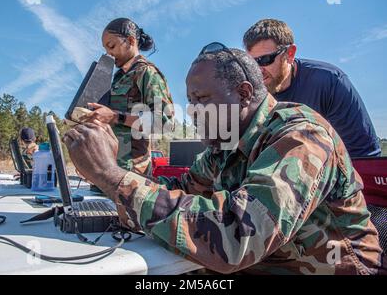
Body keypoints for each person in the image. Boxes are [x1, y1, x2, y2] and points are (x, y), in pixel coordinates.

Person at [63, 44, 385, 275]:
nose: (192, 112)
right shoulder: (223, 148)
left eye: (202, 99)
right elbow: (180, 189)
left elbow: (236, 236)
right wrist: (108, 169)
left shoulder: (301, 135)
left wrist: (112, 177)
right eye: (190, 101)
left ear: (244, 93)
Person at [243, 19, 380, 158]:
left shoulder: (328, 82)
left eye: (265, 60)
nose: (257, 71)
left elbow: (363, 153)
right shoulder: (246, 92)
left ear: (290, 54)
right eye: (250, 63)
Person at [84, 18, 174, 176]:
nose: (109, 53)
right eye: (105, 49)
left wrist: (115, 117)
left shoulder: (147, 73)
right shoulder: (118, 78)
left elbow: (164, 123)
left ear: (131, 41)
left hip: (132, 175)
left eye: (112, 46)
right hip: (107, 168)